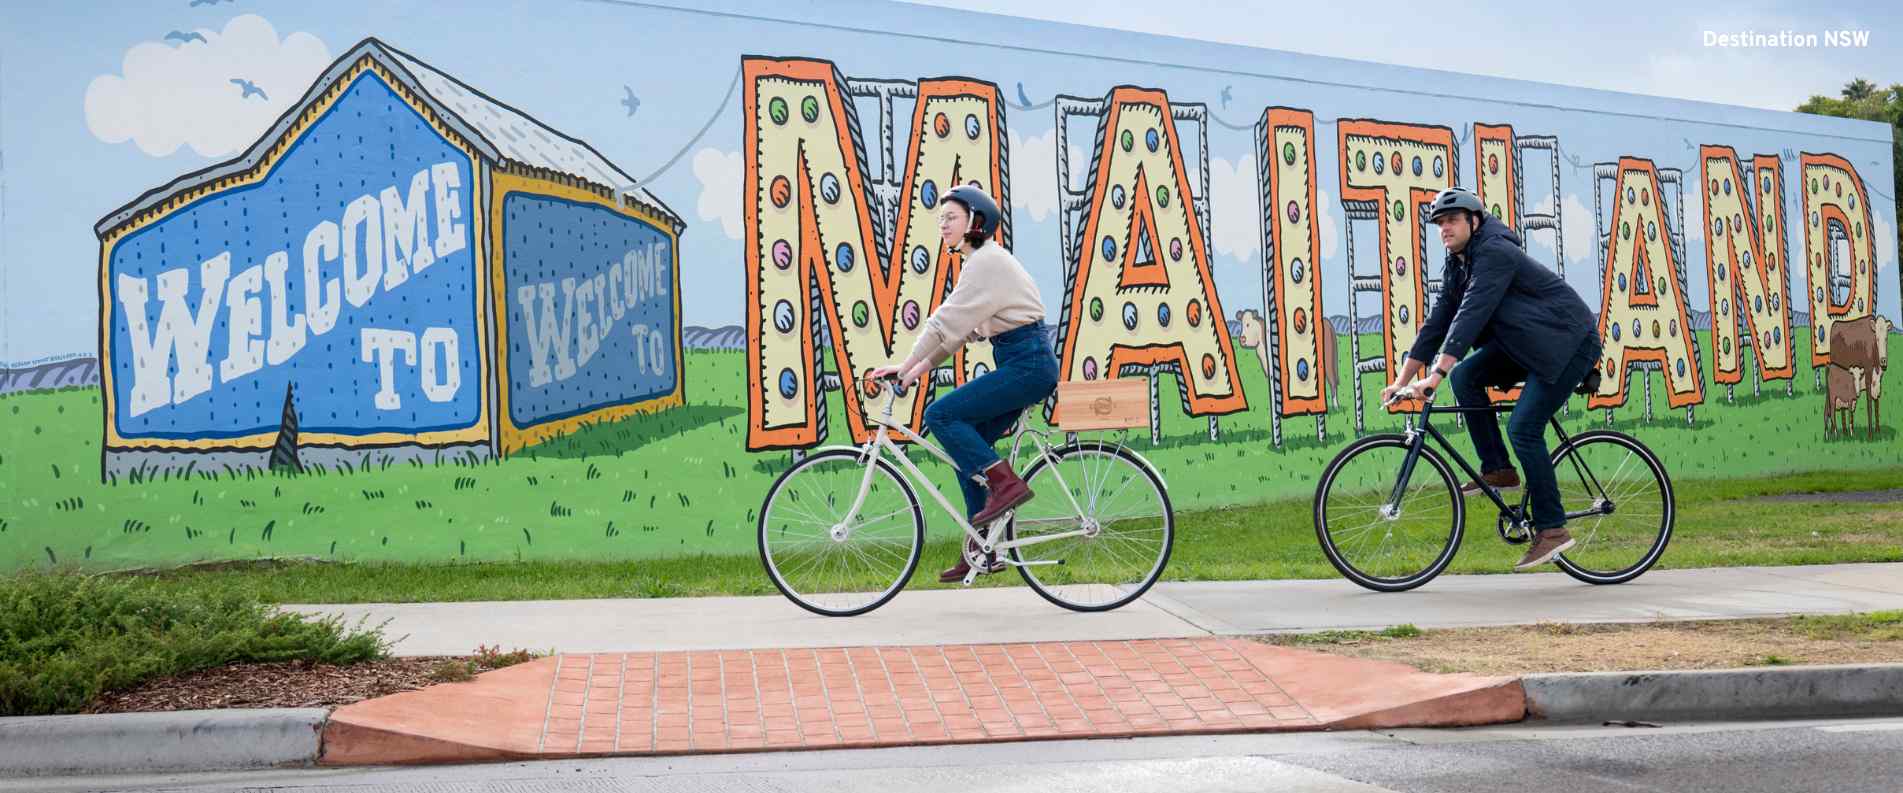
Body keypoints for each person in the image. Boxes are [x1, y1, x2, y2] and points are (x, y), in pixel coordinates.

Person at [1382, 187, 1604, 571]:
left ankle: (1553, 529)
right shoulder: (1459, 263)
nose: (1444, 229)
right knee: (1466, 376)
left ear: (1475, 221)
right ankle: (1498, 469)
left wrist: (1434, 375)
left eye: (1451, 220)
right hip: (1525, 344)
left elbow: (1470, 316)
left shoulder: (1496, 254)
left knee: (1523, 428)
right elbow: (1438, 323)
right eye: (1439, 223)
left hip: (1568, 343)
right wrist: (1402, 380)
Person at [866, 185, 1057, 583]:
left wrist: (905, 366)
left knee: (942, 415)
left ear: (976, 222)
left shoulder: (986, 263)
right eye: (941, 219)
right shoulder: (982, 265)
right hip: (1022, 361)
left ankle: (1006, 486)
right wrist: (910, 372)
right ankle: (983, 547)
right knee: (965, 448)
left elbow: (942, 323)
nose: (943, 225)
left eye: (951, 217)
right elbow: (955, 337)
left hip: (1028, 363)